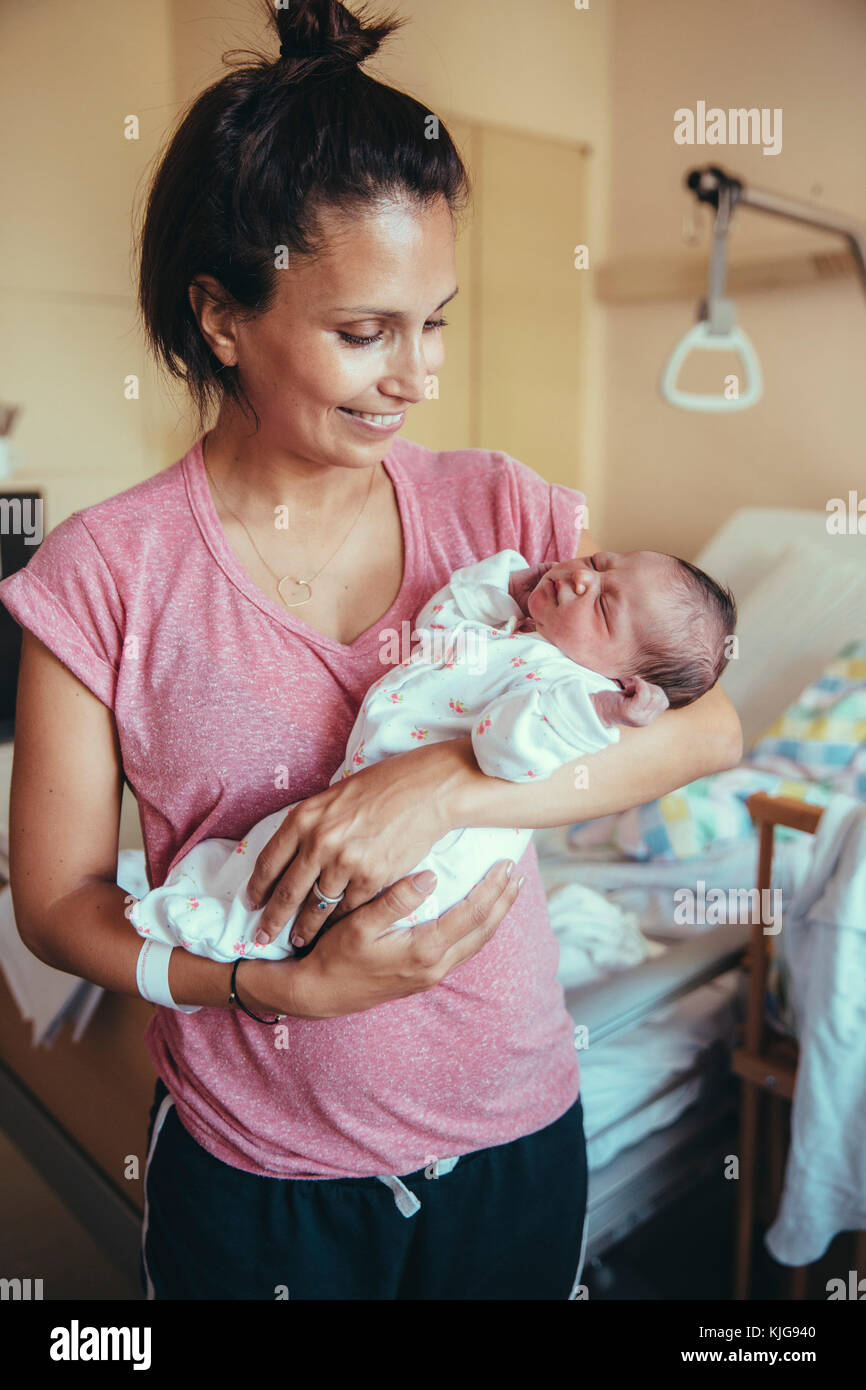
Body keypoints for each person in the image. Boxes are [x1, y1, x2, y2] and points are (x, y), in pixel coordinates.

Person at [0, 0, 742, 1300]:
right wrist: (269, 984)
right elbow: (56, 907)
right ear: (219, 315)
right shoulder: (105, 574)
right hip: (261, 1175)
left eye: (435, 321)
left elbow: (707, 725)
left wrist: (440, 784)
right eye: (364, 332)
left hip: (519, 1133)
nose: (416, 378)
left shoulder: (502, 510)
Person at [122, 544, 736, 962]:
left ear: (625, 681)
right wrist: (506, 586)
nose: (583, 576)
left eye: (603, 606)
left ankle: (237, 940)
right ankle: (203, 898)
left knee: (312, 883)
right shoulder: (513, 634)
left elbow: (508, 751)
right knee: (279, 849)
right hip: (360, 787)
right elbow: (443, 622)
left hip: (434, 860)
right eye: (602, 563)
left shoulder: (570, 693)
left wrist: (600, 716)